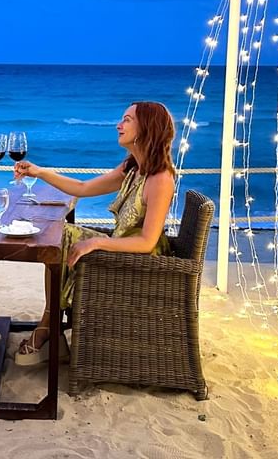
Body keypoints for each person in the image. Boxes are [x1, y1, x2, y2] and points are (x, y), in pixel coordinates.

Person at [12, 101, 176, 365]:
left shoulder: (160, 179)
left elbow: (147, 242)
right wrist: (39, 172)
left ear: (147, 128)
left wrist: (97, 242)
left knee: (63, 237)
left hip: (140, 263)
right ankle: (50, 324)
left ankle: (48, 328)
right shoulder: (132, 168)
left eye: (127, 120)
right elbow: (82, 187)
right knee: (59, 233)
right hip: (121, 246)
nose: (119, 125)